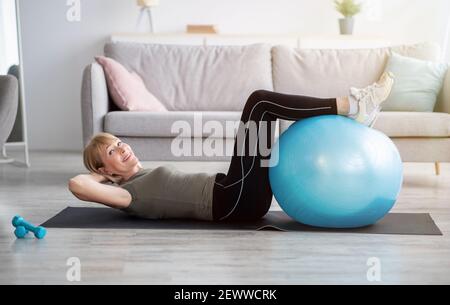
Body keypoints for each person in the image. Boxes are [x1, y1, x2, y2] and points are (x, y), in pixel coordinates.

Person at [69, 72, 394, 222]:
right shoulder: (128, 195)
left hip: (232, 191)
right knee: (261, 102)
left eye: (119, 142)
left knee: (263, 105)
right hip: (232, 202)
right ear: (103, 169)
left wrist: (110, 169)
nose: (122, 148)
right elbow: (77, 185)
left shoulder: (140, 178)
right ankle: (353, 105)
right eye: (111, 152)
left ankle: (352, 107)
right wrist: (106, 179)